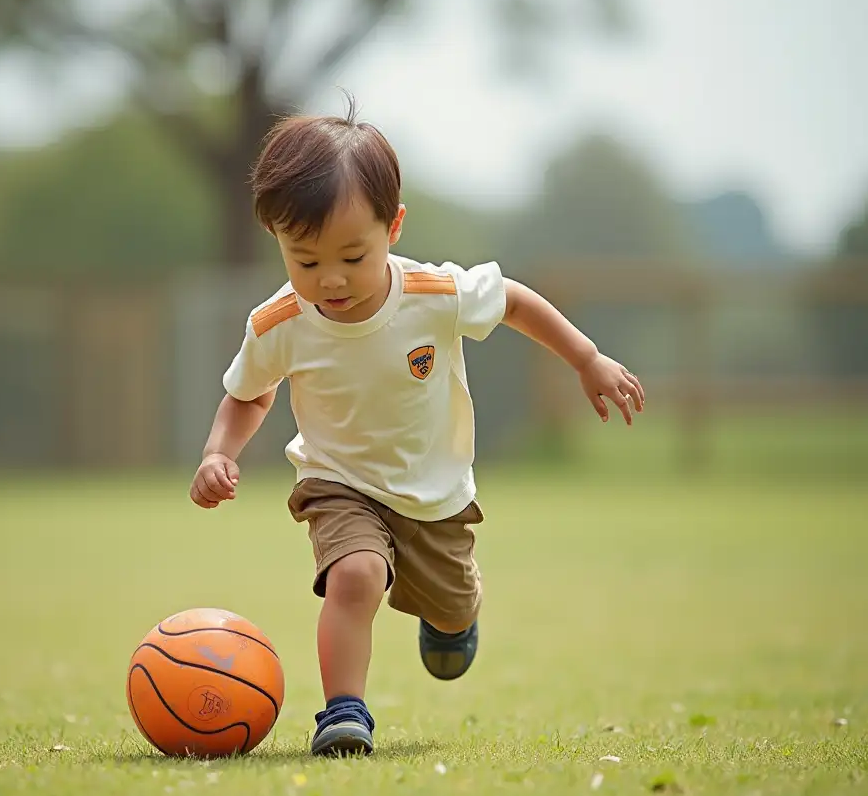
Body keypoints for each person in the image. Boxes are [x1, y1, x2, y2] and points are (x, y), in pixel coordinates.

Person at [190, 96, 645, 756]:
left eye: (352, 255)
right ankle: (344, 713)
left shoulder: (434, 294)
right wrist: (216, 452)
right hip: (338, 480)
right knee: (355, 576)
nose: (331, 279)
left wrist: (586, 357)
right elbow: (247, 394)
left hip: (436, 492)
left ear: (393, 226)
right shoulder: (279, 322)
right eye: (306, 260)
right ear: (278, 240)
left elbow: (513, 300)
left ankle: (453, 619)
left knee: (452, 609)